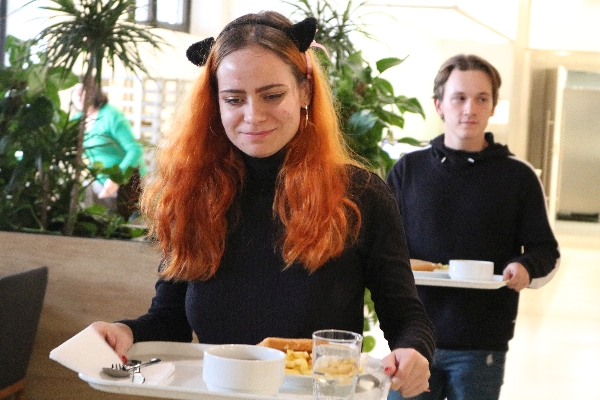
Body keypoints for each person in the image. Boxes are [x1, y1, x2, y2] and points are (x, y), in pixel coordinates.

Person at [89, 11, 436, 398]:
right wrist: (124, 332)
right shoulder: (194, 195)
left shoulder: (359, 195)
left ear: (305, 91)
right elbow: (170, 320)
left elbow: (405, 314)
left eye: (272, 95)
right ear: (215, 103)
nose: (253, 115)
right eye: (234, 99)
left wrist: (413, 351)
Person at [386, 54, 560, 400]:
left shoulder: (518, 176)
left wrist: (525, 267)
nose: (470, 109)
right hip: (412, 341)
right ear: (439, 105)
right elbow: (383, 245)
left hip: (482, 343)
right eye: (459, 98)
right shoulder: (408, 170)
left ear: (493, 106)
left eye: (482, 99)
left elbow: (546, 251)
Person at [71, 82, 147, 220]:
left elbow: (135, 150)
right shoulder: (77, 121)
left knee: (126, 226)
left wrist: (116, 179)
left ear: (93, 91)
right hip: (100, 183)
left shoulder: (111, 115)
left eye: (82, 91)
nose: (78, 96)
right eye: (74, 92)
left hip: (128, 182)